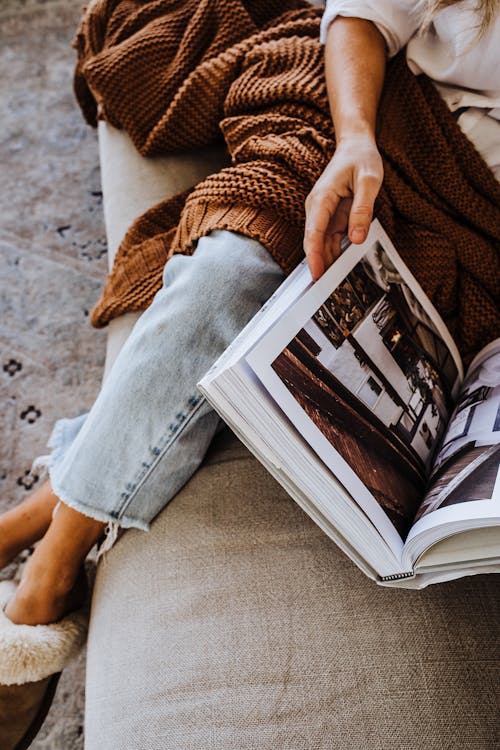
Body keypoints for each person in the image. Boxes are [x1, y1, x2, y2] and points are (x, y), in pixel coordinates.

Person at [1, 0, 498, 633]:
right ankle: (53, 571)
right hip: (374, 117)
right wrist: (354, 139)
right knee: (233, 270)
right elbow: (361, 15)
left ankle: (40, 515)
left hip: (477, 225)